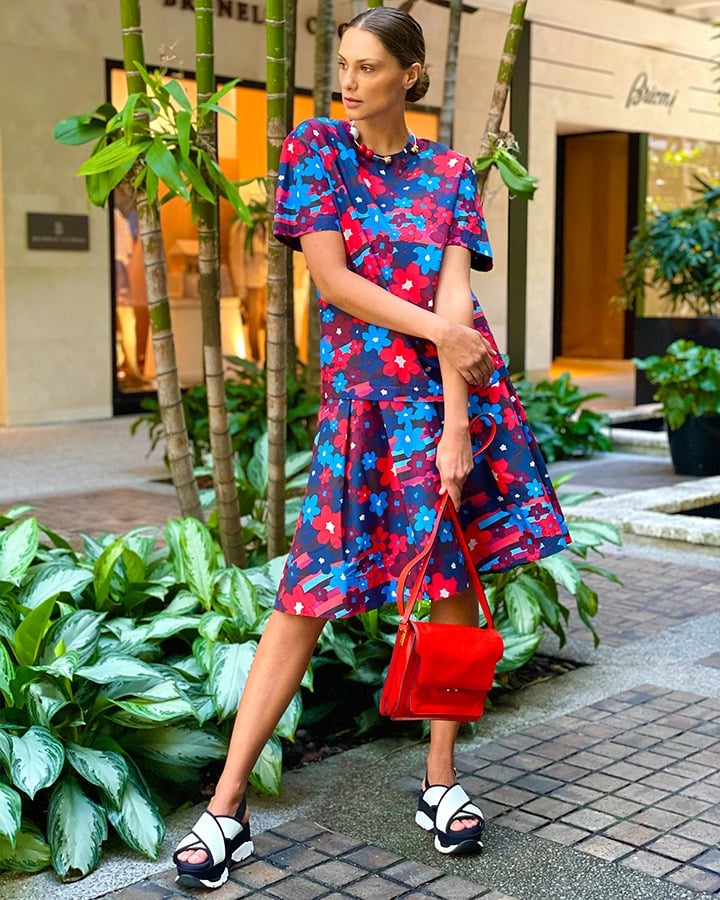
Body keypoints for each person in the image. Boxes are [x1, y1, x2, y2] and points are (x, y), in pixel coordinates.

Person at [174, 7, 570, 890]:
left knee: (452, 590)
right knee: (303, 600)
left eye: (366, 68)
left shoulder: (451, 172)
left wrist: (460, 425)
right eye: (342, 66)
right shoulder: (316, 149)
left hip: (442, 405)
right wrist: (441, 331)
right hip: (358, 413)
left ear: (410, 74)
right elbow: (333, 281)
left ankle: (440, 782)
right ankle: (227, 804)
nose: (348, 83)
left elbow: (458, 299)